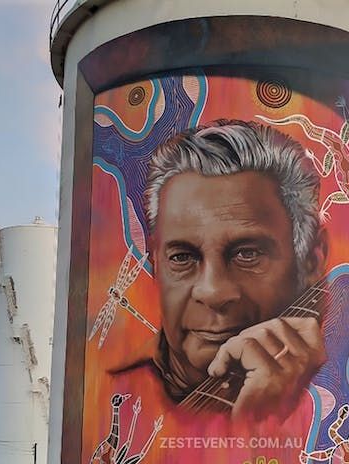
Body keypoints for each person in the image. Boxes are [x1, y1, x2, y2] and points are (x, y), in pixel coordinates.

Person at [114, 119, 328, 423]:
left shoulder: (332, 387)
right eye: (183, 257)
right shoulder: (117, 397)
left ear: (311, 261)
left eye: (248, 254)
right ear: (155, 264)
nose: (212, 292)